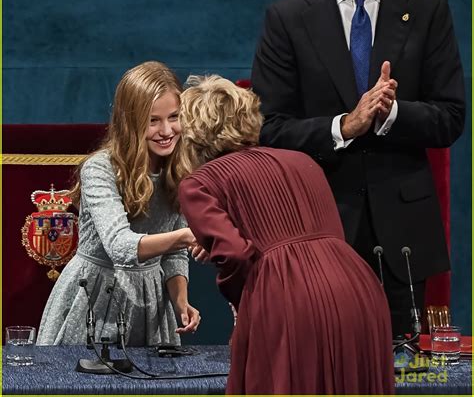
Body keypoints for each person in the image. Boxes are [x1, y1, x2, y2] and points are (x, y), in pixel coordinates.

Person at [251, 0, 465, 337]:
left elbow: (450, 117)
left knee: (403, 375)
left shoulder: (426, 8)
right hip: (318, 230)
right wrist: (344, 126)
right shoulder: (287, 18)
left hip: (405, 238)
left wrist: (389, 115)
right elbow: (267, 128)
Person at [176, 75, 394, 395]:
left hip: (288, 300)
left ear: (193, 131)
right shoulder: (302, 160)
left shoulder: (199, 182)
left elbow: (234, 254)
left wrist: (250, 303)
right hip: (360, 291)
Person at [37, 61, 200, 346]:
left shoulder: (182, 168)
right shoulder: (99, 169)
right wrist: (188, 236)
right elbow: (120, 246)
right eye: (153, 120)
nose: (166, 130)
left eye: (174, 117)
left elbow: (174, 256)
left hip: (150, 305)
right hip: (94, 298)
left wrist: (180, 301)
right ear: (131, 122)